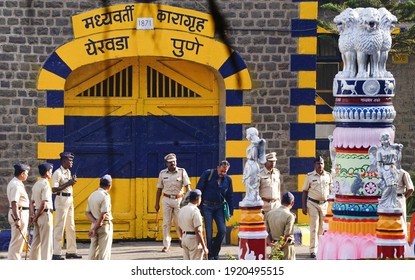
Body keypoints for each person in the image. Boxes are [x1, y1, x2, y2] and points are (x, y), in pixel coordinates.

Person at [196, 160, 233, 260]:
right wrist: (198, 207)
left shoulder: (228, 180)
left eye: (225, 172)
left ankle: (215, 251)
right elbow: (199, 189)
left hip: (219, 207)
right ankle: (209, 254)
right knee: (208, 231)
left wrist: (231, 211)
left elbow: (229, 196)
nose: (222, 174)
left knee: (222, 230)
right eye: (221, 171)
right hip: (207, 206)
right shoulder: (208, 174)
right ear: (218, 168)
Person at [155, 153, 191, 252]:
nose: (173, 164)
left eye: (174, 162)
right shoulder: (162, 173)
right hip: (166, 199)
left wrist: (189, 202)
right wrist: (156, 203)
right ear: (166, 163)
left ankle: (181, 239)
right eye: (170, 162)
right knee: (166, 223)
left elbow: (188, 187)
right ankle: (166, 244)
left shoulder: (182, 171)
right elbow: (159, 189)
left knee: (179, 222)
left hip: (179, 199)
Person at [52, 152, 82, 260]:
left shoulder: (68, 172)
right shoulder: (57, 173)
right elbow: (54, 189)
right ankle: (56, 253)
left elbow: (67, 185)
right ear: (64, 161)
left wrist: (71, 182)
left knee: (71, 226)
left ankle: (71, 251)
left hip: (69, 199)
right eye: (70, 160)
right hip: (61, 199)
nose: (72, 162)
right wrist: (68, 183)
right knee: (59, 226)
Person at [302, 156, 332, 258]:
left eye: (322, 163)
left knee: (322, 228)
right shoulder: (309, 176)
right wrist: (304, 206)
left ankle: (321, 249)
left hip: (324, 204)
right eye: (318, 163)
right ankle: (313, 250)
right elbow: (305, 191)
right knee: (314, 226)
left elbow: (331, 190)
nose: (320, 165)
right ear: (314, 165)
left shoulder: (328, 176)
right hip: (312, 203)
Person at [29, 162, 54, 260]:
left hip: (37, 215)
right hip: (44, 215)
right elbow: (44, 203)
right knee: (46, 244)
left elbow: (32, 202)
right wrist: (37, 215)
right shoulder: (46, 184)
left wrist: (34, 215)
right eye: (51, 171)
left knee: (35, 242)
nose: (51, 173)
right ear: (47, 172)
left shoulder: (36, 184)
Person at [85, 174, 113, 260]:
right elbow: (103, 214)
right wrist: (96, 226)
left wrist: (94, 224)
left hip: (94, 224)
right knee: (104, 253)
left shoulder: (92, 195)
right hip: (104, 226)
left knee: (93, 252)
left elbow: (87, 213)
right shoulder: (105, 196)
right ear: (109, 185)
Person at [7, 163, 31, 260]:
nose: (27, 175)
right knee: (17, 243)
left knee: (18, 243)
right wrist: (17, 219)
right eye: (26, 173)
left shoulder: (17, 183)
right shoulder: (16, 185)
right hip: (19, 214)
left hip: (20, 213)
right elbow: (14, 203)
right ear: (22, 173)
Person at [177, 189, 208, 260]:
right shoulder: (195, 212)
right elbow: (198, 231)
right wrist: (204, 247)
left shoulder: (182, 209)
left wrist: (181, 237)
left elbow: (179, 227)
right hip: (193, 239)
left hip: (184, 237)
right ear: (197, 199)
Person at [265, 192, 296, 260]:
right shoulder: (290, 216)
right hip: (286, 248)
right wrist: (280, 246)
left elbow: (265, 233)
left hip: (274, 245)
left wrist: (271, 244)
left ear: (281, 201)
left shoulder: (270, 213)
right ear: (292, 203)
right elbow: (287, 236)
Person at [241, 127, 266, 206]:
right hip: (249, 165)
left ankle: (253, 197)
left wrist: (258, 143)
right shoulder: (253, 144)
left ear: (251, 134)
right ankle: (249, 196)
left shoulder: (256, 145)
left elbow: (255, 156)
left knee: (252, 181)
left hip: (253, 165)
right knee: (248, 181)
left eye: (247, 134)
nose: (246, 136)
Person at [397, 168, 414, 238]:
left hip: (399, 198)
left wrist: (404, 198)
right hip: (388, 199)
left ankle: (404, 241)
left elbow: (410, 189)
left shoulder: (403, 173)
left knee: (401, 219)